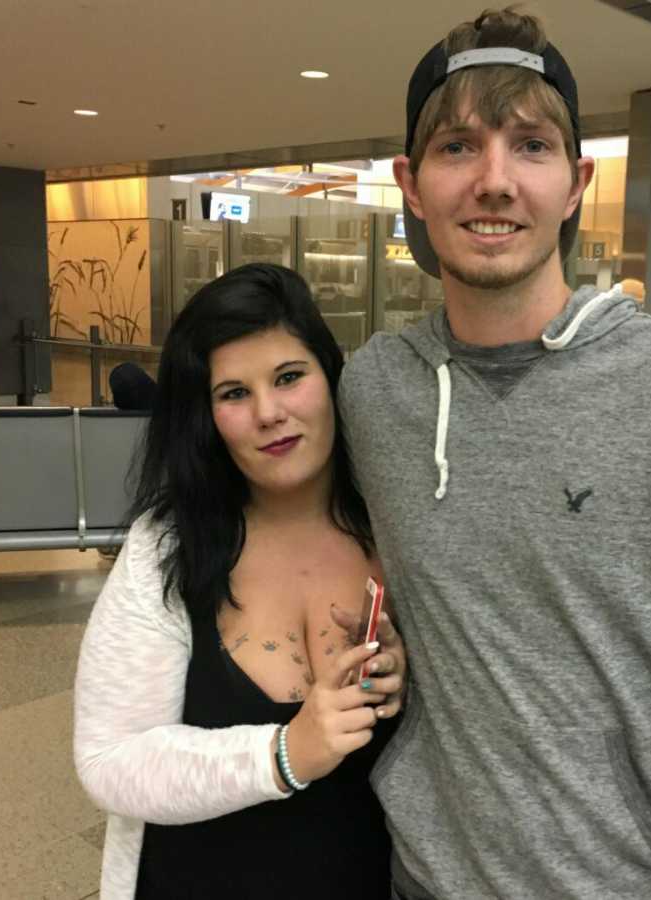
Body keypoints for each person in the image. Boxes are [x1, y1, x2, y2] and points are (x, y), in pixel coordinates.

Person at [339, 8, 651, 899]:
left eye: (530, 146)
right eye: (456, 148)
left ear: (575, 182)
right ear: (410, 182)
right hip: (418, 879)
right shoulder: (373, 389)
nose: (493, 182)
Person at [74, 263, 406, 900]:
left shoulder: (396, 530)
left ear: (330, 376)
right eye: (233, 393)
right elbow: (109, 760)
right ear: (205, 415)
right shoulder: (168, 547)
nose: (269, 413)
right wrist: (285, 754)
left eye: (288, 377)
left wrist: (407, 679)